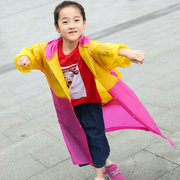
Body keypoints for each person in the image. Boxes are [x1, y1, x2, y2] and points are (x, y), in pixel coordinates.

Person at [14, 1, 175, 180]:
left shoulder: (87, 46)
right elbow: (32, 52)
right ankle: (108, 164)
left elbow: (105, 50)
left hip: (90, 102)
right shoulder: (50, 50)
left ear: (84, 24)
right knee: (82, 139)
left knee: (95, 135)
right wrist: (24, 58)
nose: (71, 25)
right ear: (57, 27)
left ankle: (99, 175)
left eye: (76, 20)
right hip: (68, 107)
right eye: (65, 21)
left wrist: (126, 52)